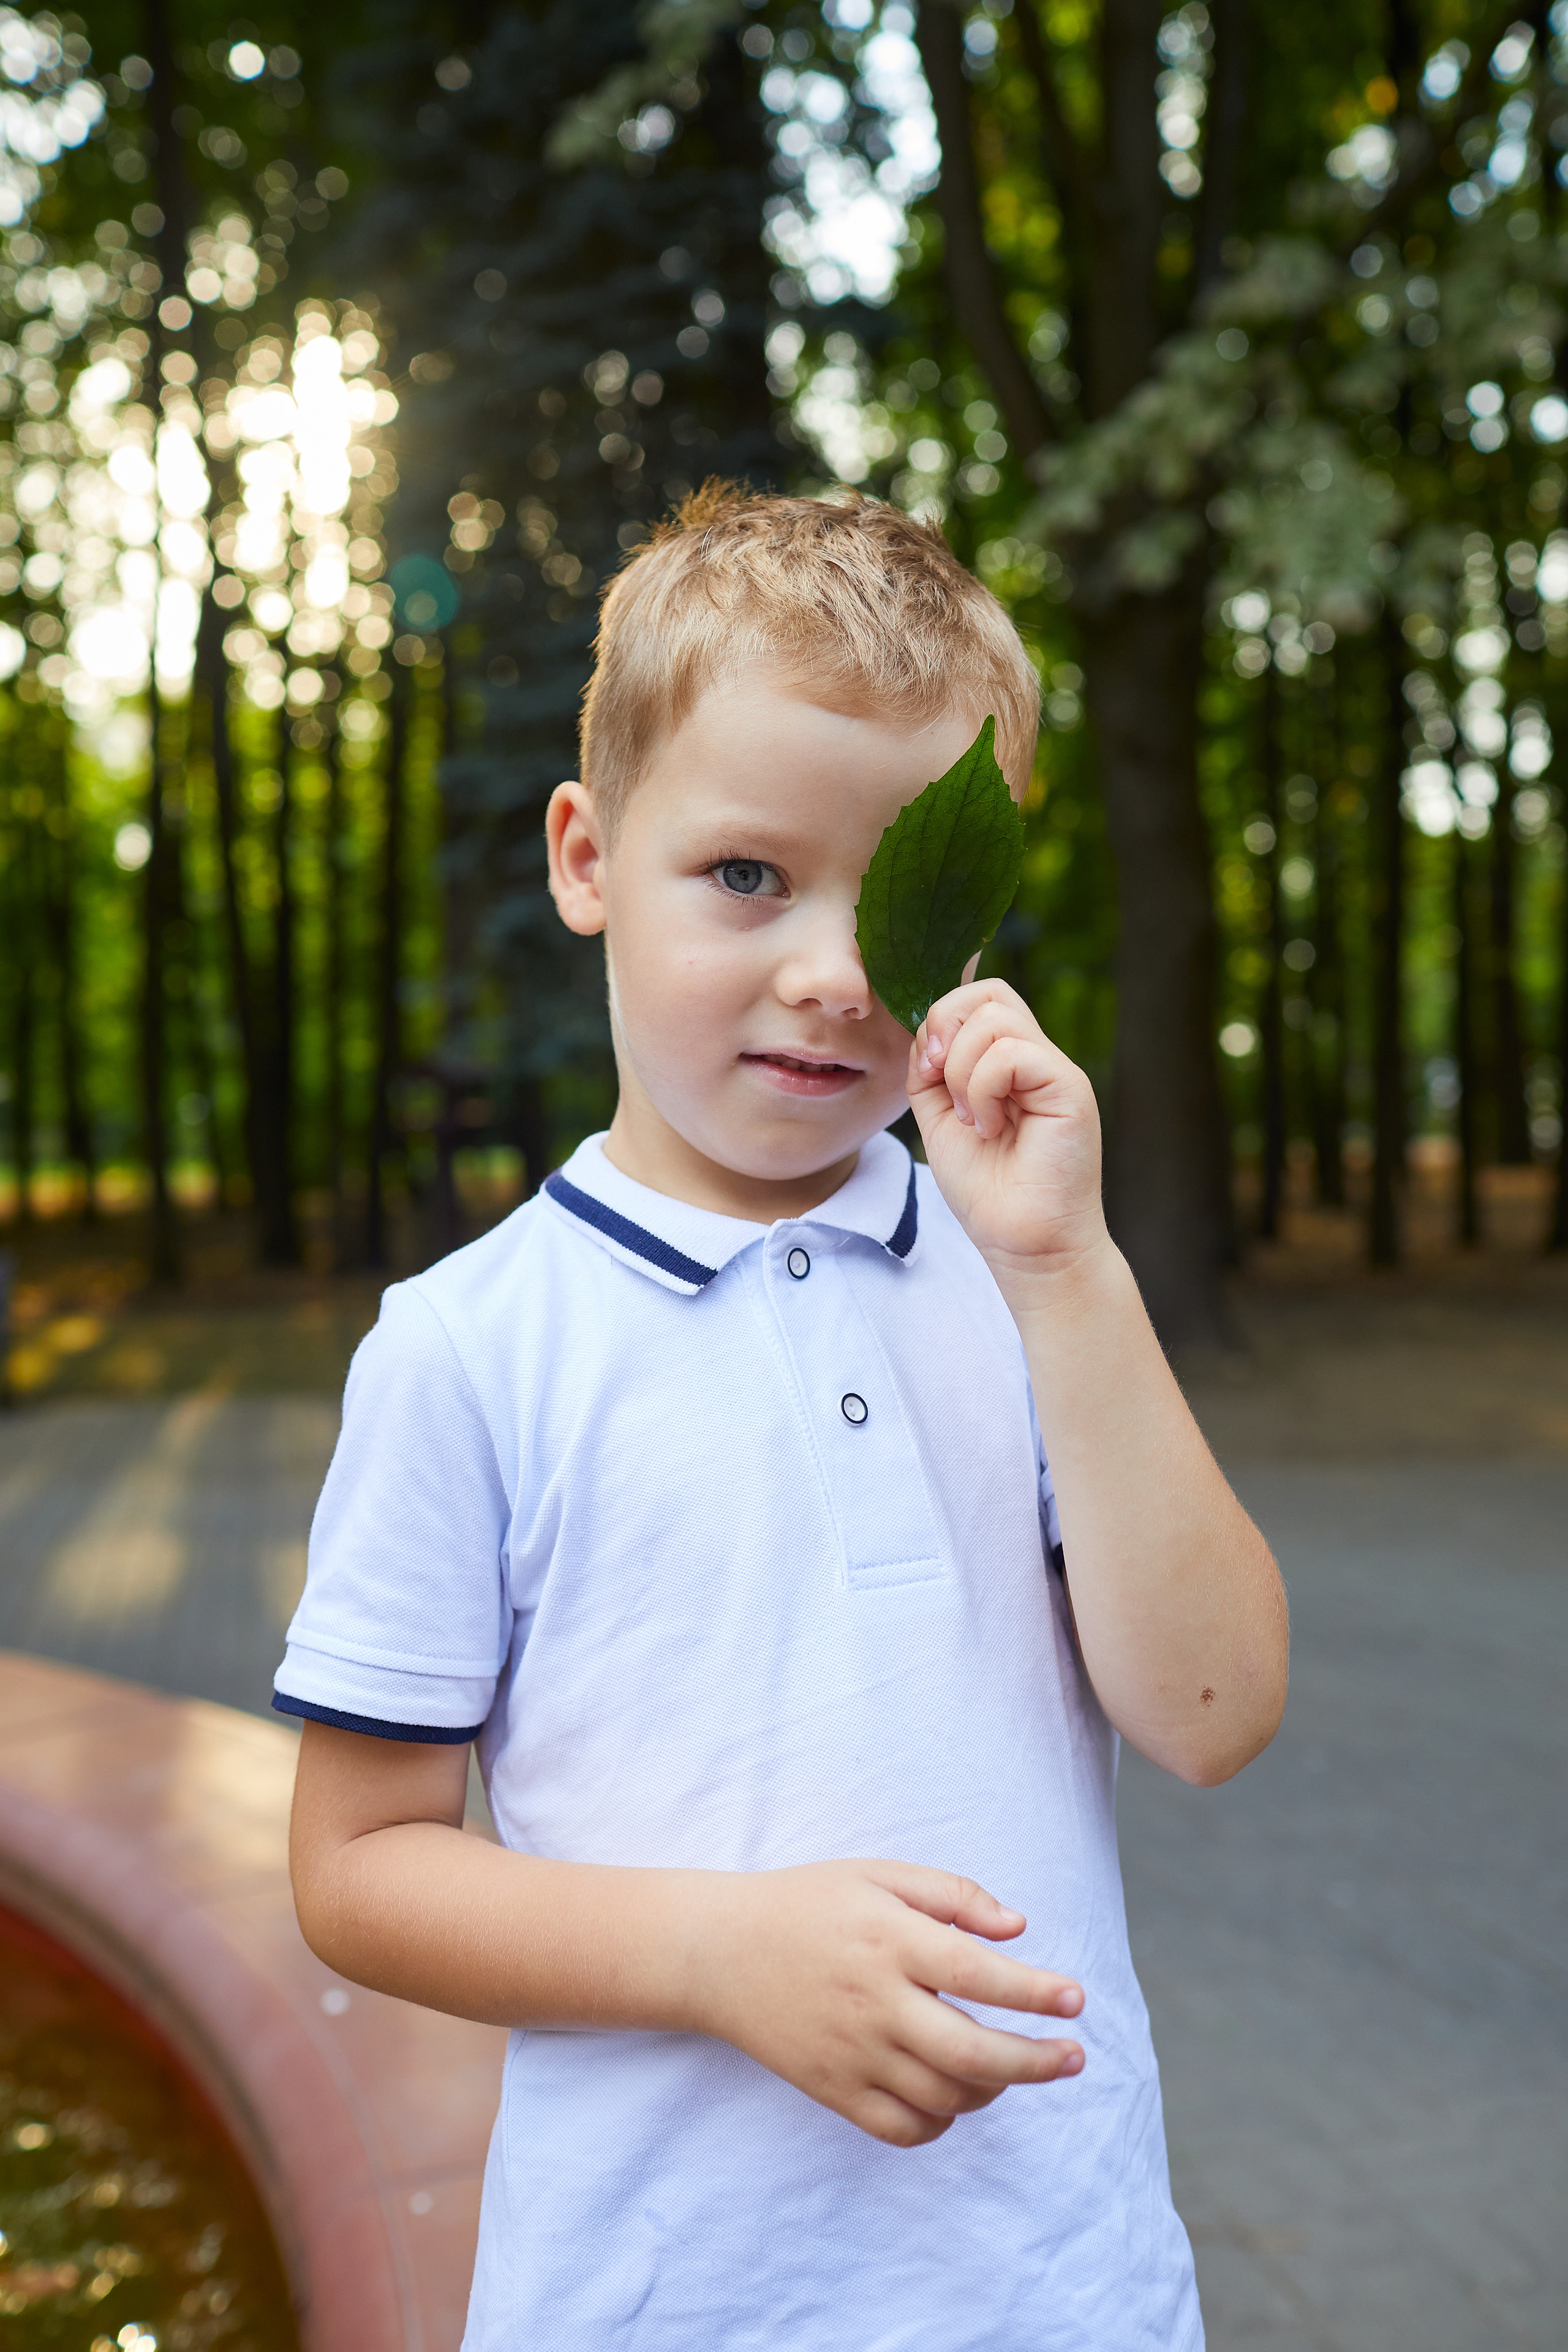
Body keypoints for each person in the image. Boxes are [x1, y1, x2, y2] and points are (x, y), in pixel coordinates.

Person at [277, 486, 1288, 2350]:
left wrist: (1070, 1275)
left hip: (1063, 2293)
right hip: (661, 2302)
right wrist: (712, 1954)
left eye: (900, 896)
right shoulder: (471, 1348)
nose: (834, 973)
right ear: (588, 856)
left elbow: (1218, 1713)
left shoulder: (1023, 1281)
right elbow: (353, 1870)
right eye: (750, 876)